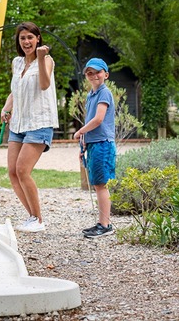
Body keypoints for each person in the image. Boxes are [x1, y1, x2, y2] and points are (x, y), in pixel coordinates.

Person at [0, 22, 59, 233]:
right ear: (19, 41)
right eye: (23, 38)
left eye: (30, 37)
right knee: (13, 172)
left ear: (38, 39)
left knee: (23, 170)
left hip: (39, 122)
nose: (26, 42)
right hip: (18, 123)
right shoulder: (17, 63)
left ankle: (39, 219)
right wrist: (6, 108)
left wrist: (42, 59)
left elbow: (44, 84)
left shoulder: (47, 60)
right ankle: (32, 217)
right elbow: (15, 91)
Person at [73, 57, 116, 238]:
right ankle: (102, 222)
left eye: (98, 72)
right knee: (98, 184)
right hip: (93, 143)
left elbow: (98, 119)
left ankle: (105, 224)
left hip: (103, 144)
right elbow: (91, 119)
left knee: (101, 184)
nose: (94, 75)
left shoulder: (104, 93)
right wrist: (84, 139)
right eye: (90, 73)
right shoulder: (91, 95)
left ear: (105, 74)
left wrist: (79, 131)